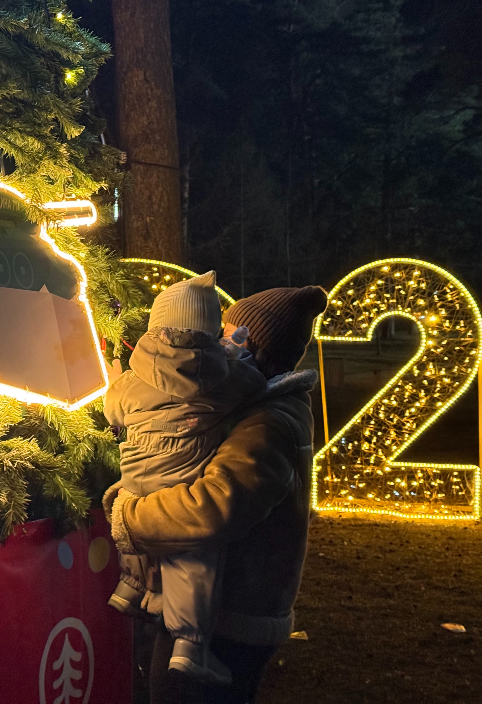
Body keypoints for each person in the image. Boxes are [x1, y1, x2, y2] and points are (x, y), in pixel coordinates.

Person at [106, 285, 328, 704]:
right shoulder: (251, 406)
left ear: (255, 348)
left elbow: (214, 507)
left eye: (228, 333)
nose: (218, 343)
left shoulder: (270, 422)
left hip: (229, 622)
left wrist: (130, 517)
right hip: (221, 613)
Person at [104, 271, 267, 686]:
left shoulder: (132, 377)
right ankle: (190, 647)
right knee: (191, 556)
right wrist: (239, 355)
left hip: (136, 472)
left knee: (134, 521)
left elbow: (113, 410)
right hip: (182, 481)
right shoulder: (226, 378)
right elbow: (254, 386)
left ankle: (128, 588)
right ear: (211, 328)